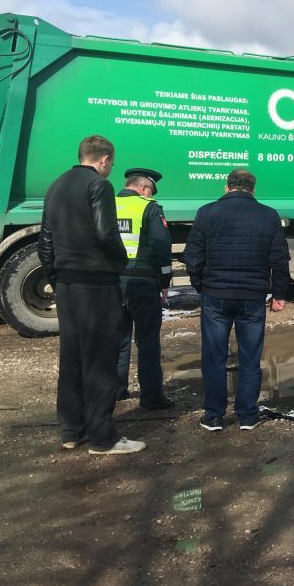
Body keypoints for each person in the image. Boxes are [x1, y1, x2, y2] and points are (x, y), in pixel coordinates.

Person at [38, 135, 146, 455]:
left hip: (66, 285)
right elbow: (106, 232)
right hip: (96, 285)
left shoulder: (55, 185)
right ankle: (102, 438)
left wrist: (55, 276)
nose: (110, 168)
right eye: (110, 163)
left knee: (71, 356)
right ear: (104, 159)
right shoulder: (99, 185)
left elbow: (45, 240)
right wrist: (119, 264)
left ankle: (71, 430)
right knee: (100, 359)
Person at [184, 168, 289, 431]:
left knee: (214, 358)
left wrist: (201, 286)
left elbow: (193, 257)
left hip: (216, 296)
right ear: (254, 189)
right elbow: (279, 259)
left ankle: (213, 416)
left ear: (226, 187)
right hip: (252, 298)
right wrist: (279, 294)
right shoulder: (268, 216)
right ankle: (247, 415)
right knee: (250, 358)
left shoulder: (206, 213)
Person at [115, 167, 174, 409]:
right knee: (147, 340)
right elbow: (161, 244)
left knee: (117, 338)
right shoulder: (148, 207)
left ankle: (117, 390)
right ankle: (151, 397)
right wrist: (164, 282)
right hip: (141, 281)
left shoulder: (106, 203)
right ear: (143, 188)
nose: (149, 195)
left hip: (111, 281)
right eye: (149, 191)